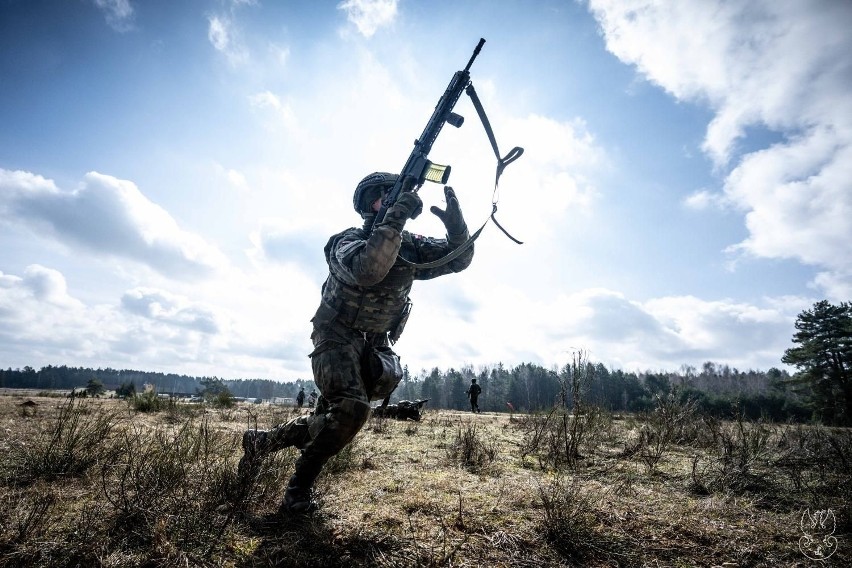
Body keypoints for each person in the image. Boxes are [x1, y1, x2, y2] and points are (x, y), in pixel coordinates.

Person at [239, 172, 474, 514]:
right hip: (336, 334)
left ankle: (261, 442)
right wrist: (396, 215)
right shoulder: (346, 241)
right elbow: (369, 269)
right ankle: (297, 491)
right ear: (369, 206)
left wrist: (456, 228)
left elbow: (458, 259)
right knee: (352, 409)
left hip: (374, 344)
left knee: (329, 421)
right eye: (386, 197)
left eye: (397, 195)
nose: (394, 201)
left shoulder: (408, 245)